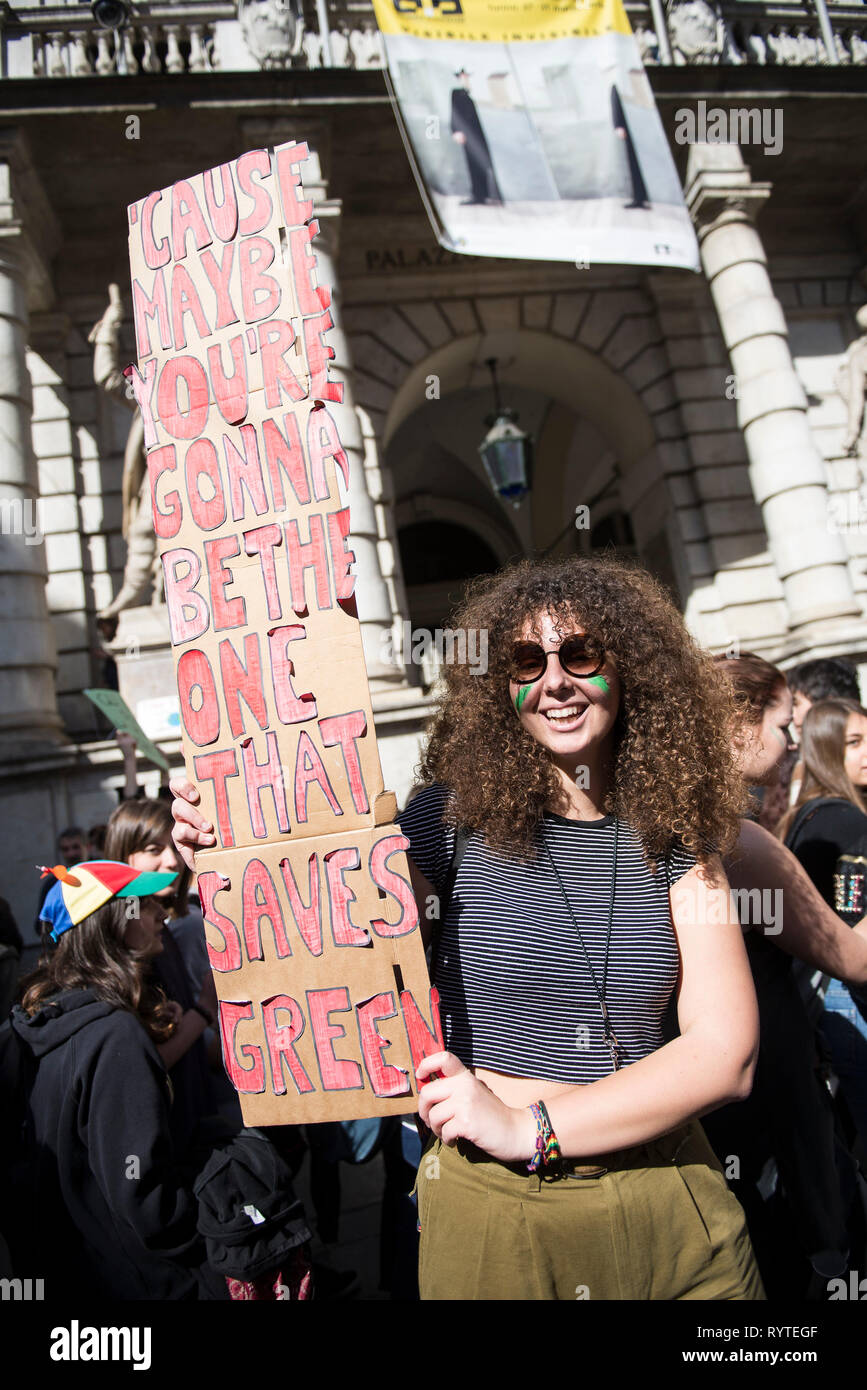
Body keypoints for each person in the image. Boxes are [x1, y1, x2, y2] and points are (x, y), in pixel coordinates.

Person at [173, 554, 763, 1301]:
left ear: (633, 668)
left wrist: (535, 1126)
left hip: (671, 1196)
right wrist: (227, 846)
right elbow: (325, 928)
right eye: (525, 661)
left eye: (580, 654)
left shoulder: (680, 841)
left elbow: (725, 1054)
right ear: (499, 688)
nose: (554, 681)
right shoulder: (443, 826)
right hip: (496, 1208)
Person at [705, 654, 867, 1295]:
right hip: (773, 1086)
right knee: (818, 1259)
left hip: (722, 1114)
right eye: (783, 725)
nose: (793, 744)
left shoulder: (664, 828)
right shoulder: (735, 840)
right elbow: (854, 958)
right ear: (740, 727)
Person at [4, 860, 228, 1299]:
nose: (161, 914)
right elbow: (142, 1197)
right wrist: (214, 1225)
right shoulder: (113, 1036)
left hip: (70, 1270)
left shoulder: (41, 1020)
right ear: (116, 920)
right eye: (144, 905)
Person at [104, 798, 224, 1146]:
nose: (171, 861)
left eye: (173, 847)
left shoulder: (160, 926)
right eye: (155, 849)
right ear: (124, 854)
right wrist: (203, 1008)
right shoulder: (124, 940)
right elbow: (145, 1065)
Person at [778, 698, 867, 1152]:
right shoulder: (847, 819)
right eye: (854, 743)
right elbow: (850, 917)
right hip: (847, 993)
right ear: (827, 748)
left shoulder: (802, 813)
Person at [450, 68, 500, 206]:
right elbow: (454, 112)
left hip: (484, 133)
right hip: (470, 134)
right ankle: (479, 194)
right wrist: (456, 130)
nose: (464, 79)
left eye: (466, 76)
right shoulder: (457, 93)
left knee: (487, 164)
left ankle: (491, 194)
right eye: (462, 76)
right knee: (474, 163)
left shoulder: (476, 92)